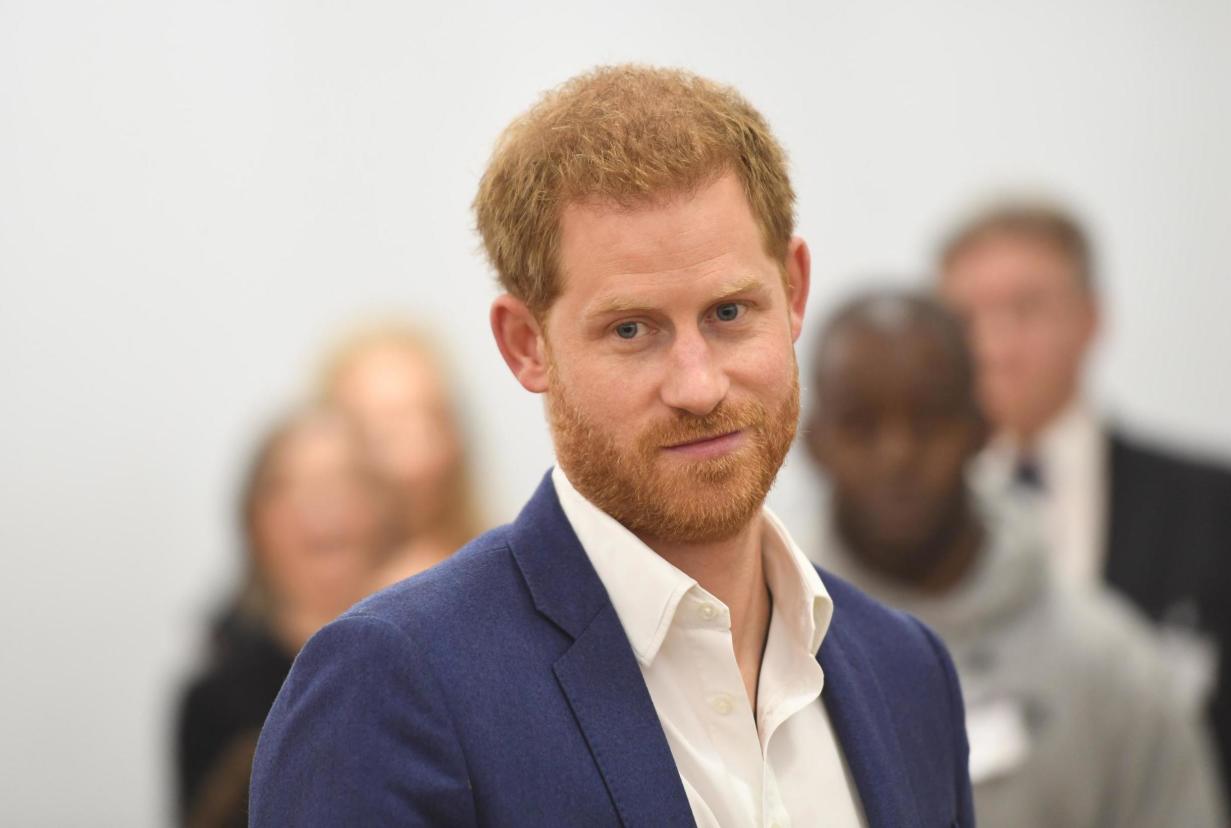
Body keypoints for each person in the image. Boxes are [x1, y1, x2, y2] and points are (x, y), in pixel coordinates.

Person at [249, 65, 974, 827]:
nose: (698, 385)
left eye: (730, 312)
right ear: (527, 344)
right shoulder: (394, 687)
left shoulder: (908, 673)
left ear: (793, 292)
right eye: (632, 330)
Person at [806, 290, 1227, 827]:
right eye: (861, 425)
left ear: (982, 430)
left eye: (929, 421)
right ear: (815, 441)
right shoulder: (763, 652)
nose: (898, 455)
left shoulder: (1112, 668)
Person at [937, 200, 1231, 815]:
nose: (994, 344)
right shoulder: (899, 528)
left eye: (1025, 309)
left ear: (1091, 318)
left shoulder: (1218, 508)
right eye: (967, 317)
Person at [176, 408, 394, 827]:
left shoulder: (437, 657)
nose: (321, 505)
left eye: (344, 481)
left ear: (384, 511)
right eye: (291, 487)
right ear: (254, 520)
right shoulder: (214, 698)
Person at [319, 323, 484, 588]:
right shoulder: (275, 616)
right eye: (385, 434)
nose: (420, 459)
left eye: (435, 422)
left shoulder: (505, 575)